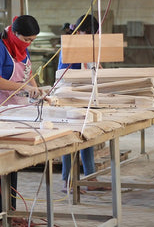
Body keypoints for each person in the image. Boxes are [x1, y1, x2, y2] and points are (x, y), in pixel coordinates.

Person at [0, 15, 43, 215]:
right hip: (0, 113)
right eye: (26, 39)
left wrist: (36, 90)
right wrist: (23, 87)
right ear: (15, 33)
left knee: (13, 166)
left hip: (19, 113)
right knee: (1, 169)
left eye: (32, 40)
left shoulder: (21, 48)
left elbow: (28, 73)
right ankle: (3, 215)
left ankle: (12, 213)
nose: (28, 43)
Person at [59, 14, 108, 192]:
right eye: (87, 33)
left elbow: (95, 67)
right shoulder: (69, 46)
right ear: (79, 30)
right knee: (70, 140)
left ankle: (90, 179)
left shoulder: (91, 45)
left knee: (89, 137)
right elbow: (62, 74)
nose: (90, 37)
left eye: (92, 34)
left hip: (88, 96)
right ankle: (68, 182)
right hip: (71, 97)